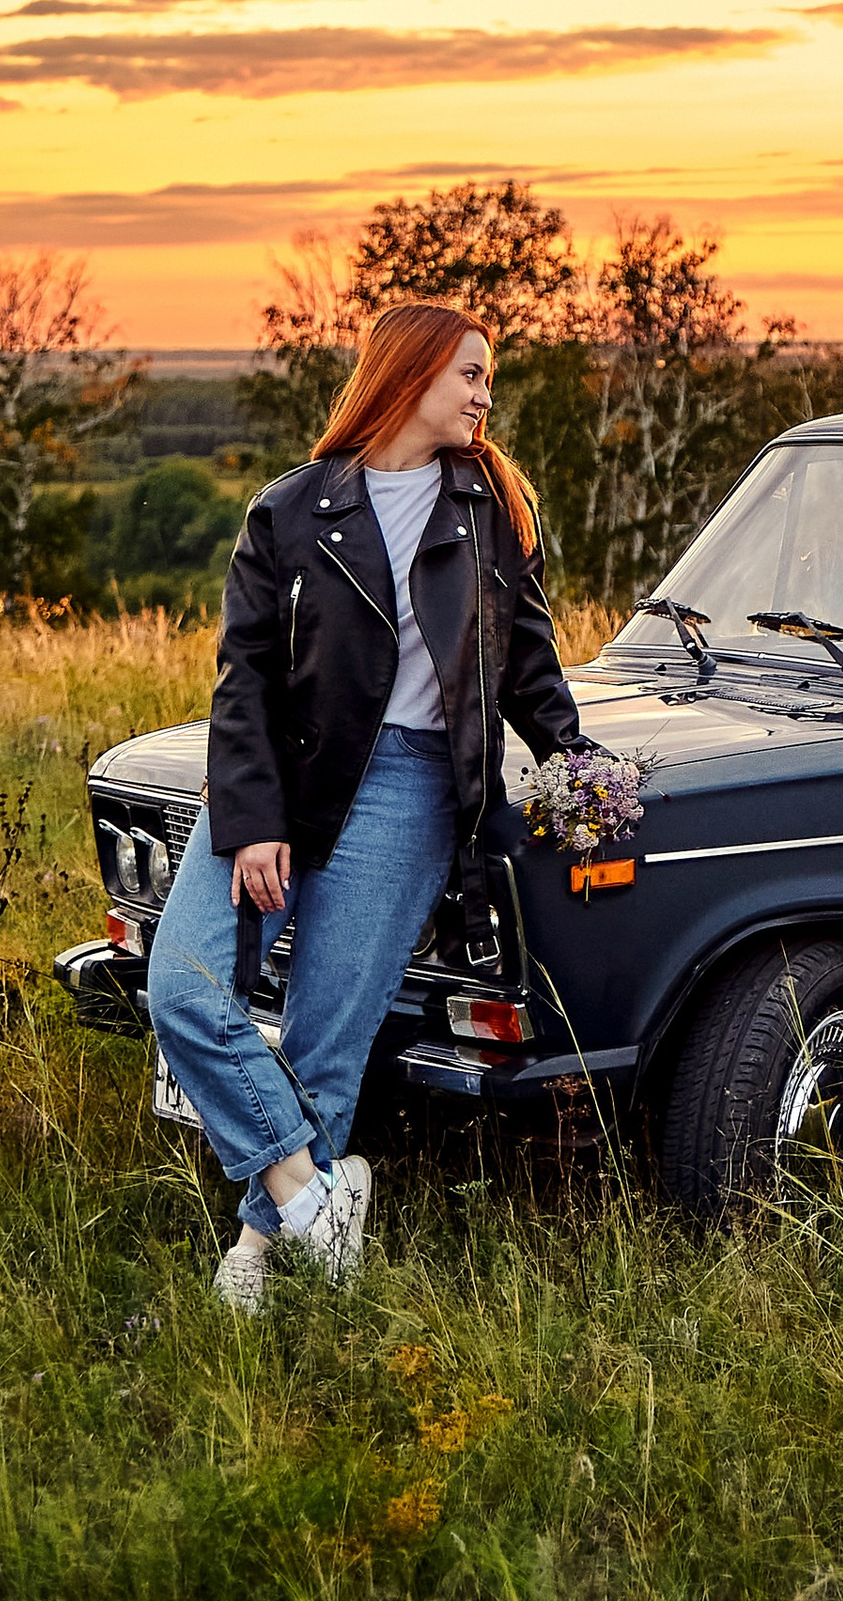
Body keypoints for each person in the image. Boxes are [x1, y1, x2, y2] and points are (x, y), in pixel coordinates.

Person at [145, 301, 593, 1314]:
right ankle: (315, 1201)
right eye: (470, 374)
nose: (485, 395)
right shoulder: (293, 510)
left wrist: (575, 758)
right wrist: (255, 821)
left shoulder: (486, 508)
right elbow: (244, 679)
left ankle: (259, 1266)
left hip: (408, 787)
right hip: (285, 782)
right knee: (182, 989)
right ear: (410, 375)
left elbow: (526, 659)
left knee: (325, 1046)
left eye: (489, 377)